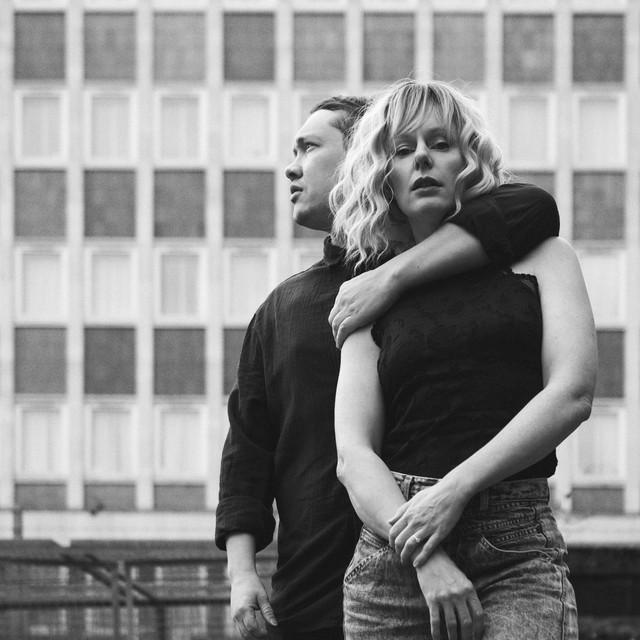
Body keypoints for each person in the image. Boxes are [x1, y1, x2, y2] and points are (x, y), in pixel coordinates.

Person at [215, 95, 561, 640]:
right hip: (318, 583)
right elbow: (248, 445)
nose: (291, 167)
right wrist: (241, 573)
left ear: (361, 157)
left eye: (309, 148)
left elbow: (531, 206)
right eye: (402, 148)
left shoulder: (461, 268)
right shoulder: (282, 308)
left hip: (444, 555)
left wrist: (390, 275)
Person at [332, 79, 597, 640]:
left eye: (440, 143)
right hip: (395, 555)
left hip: (514, 548)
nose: (422, 159)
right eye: (402, 150)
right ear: (384, 176)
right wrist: (425, 555)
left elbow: (572, 393)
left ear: (469, 160)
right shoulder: (366, 292)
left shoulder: (544, 258)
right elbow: (353, 453)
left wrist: (453, 492)